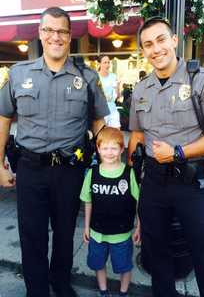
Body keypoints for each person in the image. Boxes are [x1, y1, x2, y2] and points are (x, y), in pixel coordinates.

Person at [0, 7, 109, 297]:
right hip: (30, 169)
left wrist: (107, 160)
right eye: (49, 30)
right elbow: (3, 118)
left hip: (69, 170)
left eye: (62, 30)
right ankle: (36, 290)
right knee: (32, 235)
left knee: (63, 234)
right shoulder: (18, 73)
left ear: (70, 36)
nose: (55, 36)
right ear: (40, 33)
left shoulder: (87, 77)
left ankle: (60, 283)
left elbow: (99, 121)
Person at [128, 16, 204, 297]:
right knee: (157, 258)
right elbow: (137, 137)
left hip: (192, 185)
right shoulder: (140, 89)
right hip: (152, 185)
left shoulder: (203, 80)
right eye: (148, 44)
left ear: (175, 40)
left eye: (161, 40)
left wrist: (178, 153)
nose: (156, 49)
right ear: (143, 50)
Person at [80, 127, 140, 297]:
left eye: (114, 148)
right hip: (97, 233)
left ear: (122, 149)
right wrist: (86, 227)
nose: (109, 152)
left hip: (121, 235)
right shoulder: (92, 173)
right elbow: (88, 201)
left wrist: (139, 226)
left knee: (124, 266)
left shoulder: (129, 174)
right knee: (98, 264)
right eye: (105, 148)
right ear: (98, 149)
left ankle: (123, 292)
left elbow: (139, 203)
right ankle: (103, 291)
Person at [98, 55, 121, 129]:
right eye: (105, 62)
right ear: (99, 64)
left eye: (108, 62)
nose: (107, 65)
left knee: (117, 135)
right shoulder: (95, 77)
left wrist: (118, 86)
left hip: (112, 111)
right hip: (100, 113)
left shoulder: (113, 76)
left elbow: (117, 96)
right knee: (102, 138)